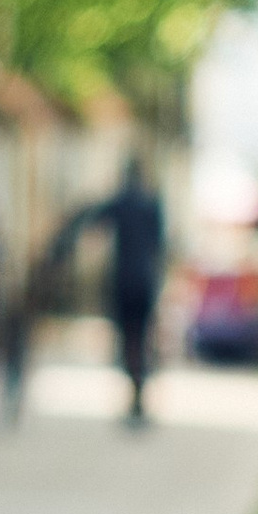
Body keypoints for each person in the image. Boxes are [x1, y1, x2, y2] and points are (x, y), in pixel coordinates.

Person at [67, 157, 167, 425]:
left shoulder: (121, 202)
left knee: (128, 339)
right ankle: (139, 397)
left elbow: (93, 220)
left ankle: (134, 396)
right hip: (145, 281)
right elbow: (160, 246)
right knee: (142, 339)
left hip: (124, 281)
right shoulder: (151, 204)